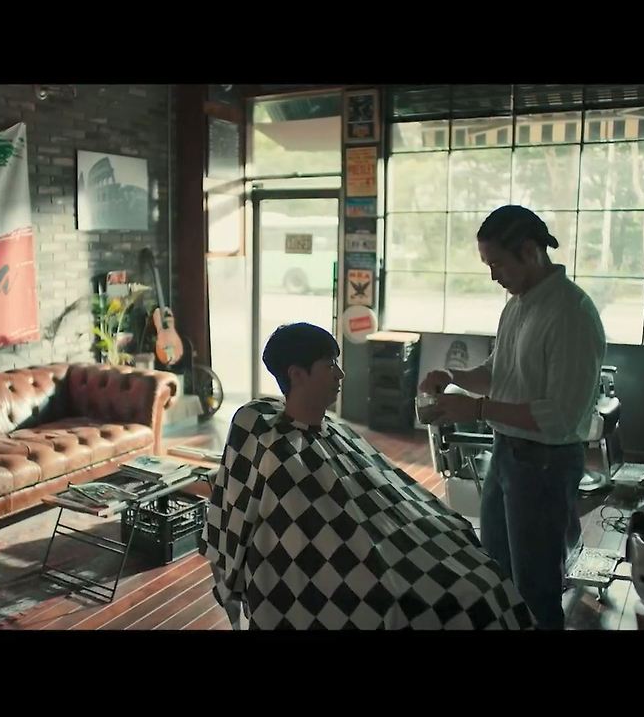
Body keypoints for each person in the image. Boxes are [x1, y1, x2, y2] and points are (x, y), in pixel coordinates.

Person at [198, 322, 535, 630]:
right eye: (330, 365)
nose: (341, 374)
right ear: (297, 375)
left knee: (473, 564)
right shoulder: (283, 456)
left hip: (388, 542)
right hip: (348, 575)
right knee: (468, 596)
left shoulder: (334, 432)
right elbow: (315, 543)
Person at [418, 204, 607, 630]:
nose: (493, 276)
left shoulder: (571, 313)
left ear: (528, 251)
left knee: (536, 586)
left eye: (498, 264)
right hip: (507, 453)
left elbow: (560, 416)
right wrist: (453, 378)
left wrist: (477, 409)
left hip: (545, 464)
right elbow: (497, 373)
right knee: (496, 572)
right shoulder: (519, 306)